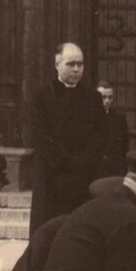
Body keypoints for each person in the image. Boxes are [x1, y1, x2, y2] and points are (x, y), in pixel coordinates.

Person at [29, 42, 106, 233]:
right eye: (71, 64)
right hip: (52, 175)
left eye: (80, 64)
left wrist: (82, 162)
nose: (76, 69)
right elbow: (38, 134)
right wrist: (63, 161)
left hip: (83, 177)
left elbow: (100, 136)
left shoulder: (93, 98)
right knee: (49, 232)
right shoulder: (41, 97)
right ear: (57, 64)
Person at [96, 81, 130, 178]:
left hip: (114, 170)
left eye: (110, 97)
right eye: (103, 97)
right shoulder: (87, 117)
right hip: (94, 170)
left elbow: (124, 147)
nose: (107, 101)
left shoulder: (119, 118)